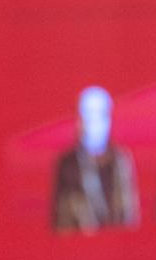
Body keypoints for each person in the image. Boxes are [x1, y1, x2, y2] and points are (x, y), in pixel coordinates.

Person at [52, 85, 139, 233]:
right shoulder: (67, 164)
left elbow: (128, 213)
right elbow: (60, 217)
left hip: (115, 241)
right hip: (77, 243)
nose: (90, 123)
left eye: (97, 116)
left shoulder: (119, 161)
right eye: (85, 116)